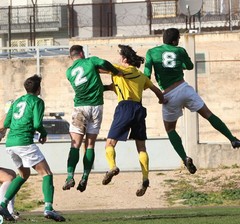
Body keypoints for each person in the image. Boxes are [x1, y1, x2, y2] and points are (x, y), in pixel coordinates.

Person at [144, 28, 240, 174]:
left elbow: (146, 75)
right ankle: (232, 139)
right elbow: (189, 66)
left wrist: (155, 92)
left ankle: (185, 158)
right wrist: (179, 64)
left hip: (168, 95)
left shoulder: (151, 52)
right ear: (175, 41)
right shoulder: (180, 51)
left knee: (170, 129)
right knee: (208, 114)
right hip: (184, 88)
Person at [101, 44, 165, 197]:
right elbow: (157, 91)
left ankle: (112, 167)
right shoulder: (142, 76)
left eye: (119, 55)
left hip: (124, 107)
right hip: (139, 109)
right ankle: (145, 178)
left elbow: (98, 68)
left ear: (124, 59)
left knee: (110, 143)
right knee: (141, 147)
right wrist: (162, 100)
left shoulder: (118, 69)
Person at [0, 74, 65, 221]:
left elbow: (6, 123)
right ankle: (48, 208)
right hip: (24, 142)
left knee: (23, 175)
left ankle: (3, 204)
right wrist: (43, 133)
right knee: (46, 174)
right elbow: (36, 124)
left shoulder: (17, 101)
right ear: (39, 89)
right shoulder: (37, 101)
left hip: (10, 143)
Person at [62, 45, 121, 193]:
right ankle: (85, 177)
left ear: (71, 57)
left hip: (80, 108)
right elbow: (104, 64)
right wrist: (115, 71)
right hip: (96, 108)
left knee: (75, 145)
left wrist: (106, 86)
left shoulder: (69, 72)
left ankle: (70, 176)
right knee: (90, 145)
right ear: (82, 53)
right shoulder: (91, 61)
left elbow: (88, 85)